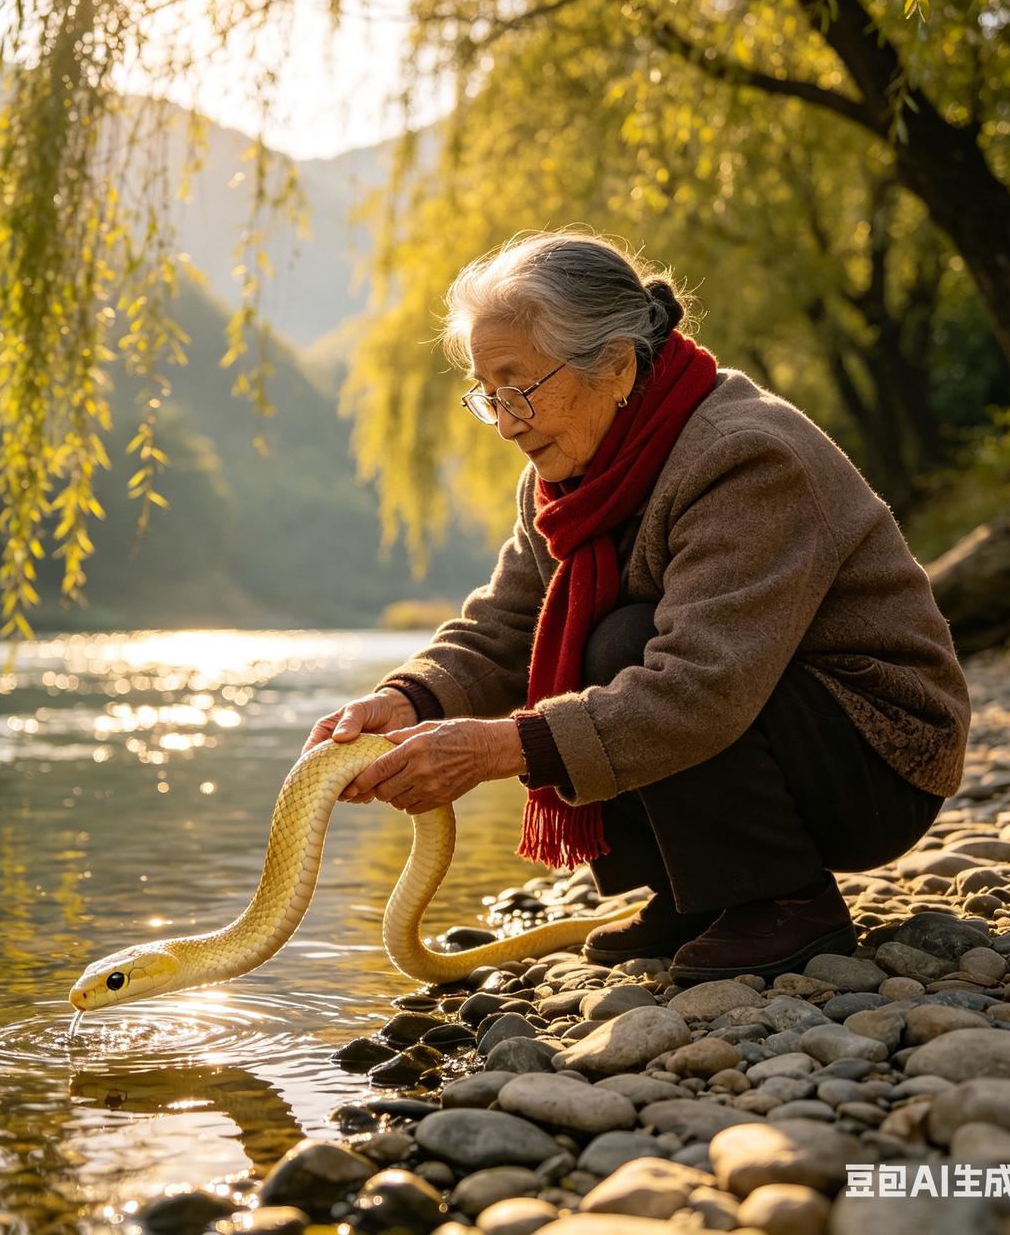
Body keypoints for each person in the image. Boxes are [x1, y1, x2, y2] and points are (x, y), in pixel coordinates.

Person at [302, 229, 971, 983]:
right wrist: (406, 699)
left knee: (620, 643)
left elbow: (703, 685)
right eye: (490, 397)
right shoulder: (563, 478)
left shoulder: (743, 453)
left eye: (519, 388)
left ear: (616, 366)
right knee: (590, 633)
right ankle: (699, 892)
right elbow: (508, 625)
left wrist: (494, 748)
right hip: (773, 723)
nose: (508, 421)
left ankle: (785, 903)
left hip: (877, 757)